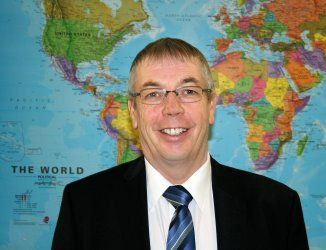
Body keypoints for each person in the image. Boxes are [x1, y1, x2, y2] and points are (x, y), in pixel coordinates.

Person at [52, 38, 309, 250]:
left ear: (211, 107)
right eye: (153, 94)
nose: (172, 109)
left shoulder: (277, 208)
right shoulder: (84, 206)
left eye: (188, 91)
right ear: (133, 112)